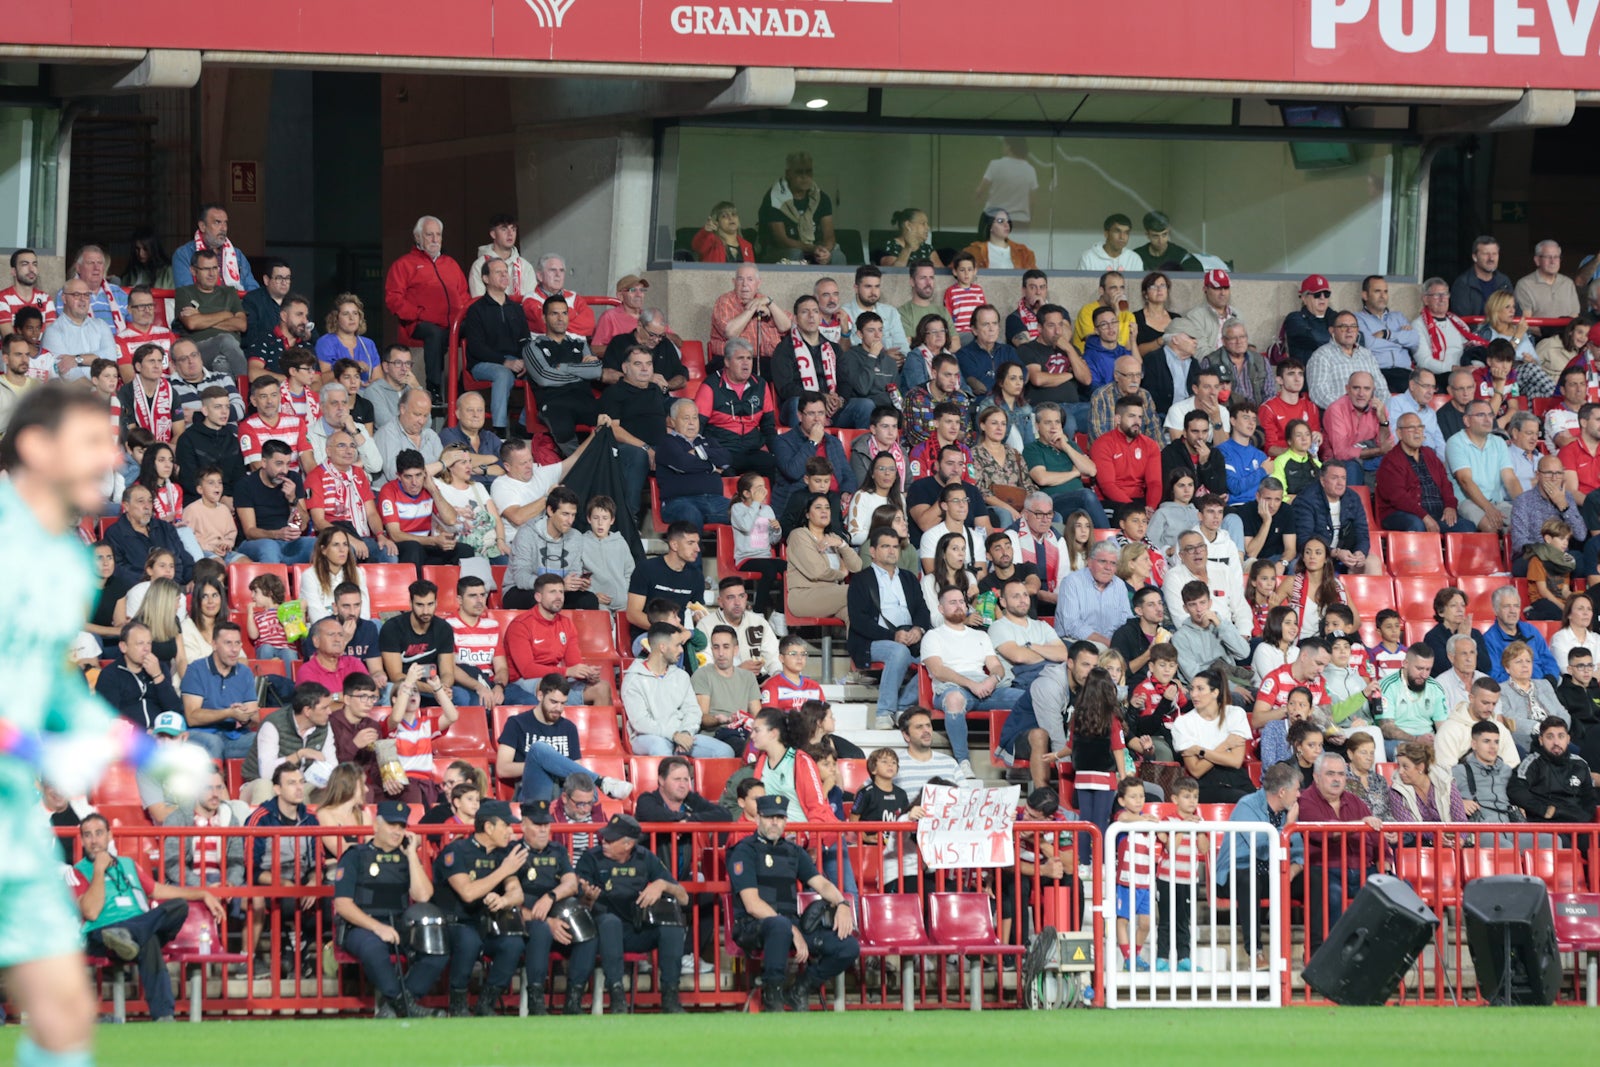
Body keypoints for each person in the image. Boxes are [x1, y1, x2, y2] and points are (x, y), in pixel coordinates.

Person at [71, 814, 224, 1023]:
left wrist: (203, 893)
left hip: (131, 935)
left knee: (177, 906)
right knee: (149, 940)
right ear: (81, 840)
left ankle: (131, 933)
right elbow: (90, 912)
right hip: (102, 934)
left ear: (110, 835)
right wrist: (98, 870)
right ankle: (164, 1016)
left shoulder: (127, 864)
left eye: (99, 833)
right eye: (87, 835)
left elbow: (158, 890)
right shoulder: (77, 872)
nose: (94, 840)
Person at [727, 792, 859, 1012]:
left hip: (787, 925)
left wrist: (842, 904)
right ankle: (773, 996)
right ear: (758, 818)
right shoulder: (744, 850)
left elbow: (822, 884)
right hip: (752, 926)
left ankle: (801, 988)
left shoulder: (794, 851)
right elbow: (751, 904)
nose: (774, 822)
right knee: (779, 925)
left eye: (779, 817)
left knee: (847, 946)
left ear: (786, 820)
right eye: (769, 817)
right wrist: (790, 929)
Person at [331, 799, 442, 1018]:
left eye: (401, 827)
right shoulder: (356, 856)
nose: (397, 831)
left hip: (399, 925)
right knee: (375, 949)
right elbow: (343, 904)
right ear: (375, 826)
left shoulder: (406, 858)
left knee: (435, 949)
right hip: (361, 926)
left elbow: (423, 895)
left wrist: (412, 855)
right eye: (392, 825)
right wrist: (377, 928)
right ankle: (407, 1006)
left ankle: (392, 1008)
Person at [576, 813, 691, 1014]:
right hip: (603, 932)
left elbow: (684, 898)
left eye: (611, 840)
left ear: (628, 845)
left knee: (671, 927)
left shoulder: (645, 857)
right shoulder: (591, 858)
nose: (604, 842)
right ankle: (617, 996)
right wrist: (587, 899)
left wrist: (662, 884)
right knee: (610, 923)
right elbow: (578, 903)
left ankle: (671, 996)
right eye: (604, 837)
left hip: (637, 928)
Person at [429, 799, 528, 1016]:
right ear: (489, 827)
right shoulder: (456, 851)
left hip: (490, 924)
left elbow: (517, 893)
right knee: (468, 940)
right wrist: (503, 871)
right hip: (457, 923)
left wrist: (504, 901)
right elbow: (468, 893)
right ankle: (458, 1004)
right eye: (506, 825)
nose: (511, 831)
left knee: (513, 943)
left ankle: (486, 1003)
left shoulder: (505, 853)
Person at [921, 585, 1024, 779]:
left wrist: (992, 680)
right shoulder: (933, 636)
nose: (959, 606)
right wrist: (971, 685)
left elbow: (996, 666)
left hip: (986, 688)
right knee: (954, 700)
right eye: (953, 603)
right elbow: (938, 670)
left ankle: (1016, 757)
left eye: (962, 601)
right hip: (953, 688)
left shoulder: (981, 635)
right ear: (941, 609)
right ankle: (963, 762)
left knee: (1029, 698)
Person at [1293, 753, 1383, 949]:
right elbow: (1323, 833)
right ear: (1316, 777)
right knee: (1332, 896)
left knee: (1396, 890)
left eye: (1341, 774)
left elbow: (1377, 838)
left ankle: (1379, 955)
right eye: (1330, 774)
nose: (1336, 779)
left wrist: (1386, 859)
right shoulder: (1305, 801)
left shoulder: (1355, 801)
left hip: (1363, 871)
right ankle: (1332, 957)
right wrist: (1358, 825)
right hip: (1328, 871)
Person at [1214, 762, 1302, 963]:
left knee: (1314, 878)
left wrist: (1293, 871)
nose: (1299, 795)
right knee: (1250, 878)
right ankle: (1255, 952)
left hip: (1273, 875)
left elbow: (1298, 852)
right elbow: (1261, 847)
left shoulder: (1287, 811)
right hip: (1236, 874)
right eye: (1296, 790)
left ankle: (1316, 951)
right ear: (1282, 792)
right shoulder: (1247, 805)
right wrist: (1288, 826)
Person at [847, 527, 931, 730]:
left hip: (911, 640)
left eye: (895, 547)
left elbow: (922, 610)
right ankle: (884, 712)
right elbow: (858, 620)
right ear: (873, 551)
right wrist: (893, 636)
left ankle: (904, 704)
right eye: (886, 546)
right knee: (898, 650)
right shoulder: (861, 579)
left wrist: (918, 630)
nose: (892, 551)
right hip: (873, 641)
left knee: (940, 654)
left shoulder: (909, 578)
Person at [384, 215, 469, 399]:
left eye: (438, 235)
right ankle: (434, 388)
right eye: (429, 235)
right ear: (418, 238)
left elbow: (464, 295)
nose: (434, 239)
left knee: (475, 328)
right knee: (433, 333)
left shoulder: (451, 264)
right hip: (419, 325)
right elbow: (393, 298)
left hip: (451, 325)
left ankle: (466, 385)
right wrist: (417, 314)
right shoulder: (404, 264)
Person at [621, 623, 735, 758]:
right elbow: (641, 722)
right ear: (662, 647)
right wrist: (674, 735)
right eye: (677, 645)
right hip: (647, 737)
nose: (681, 650)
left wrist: (686, 733)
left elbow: (693, 711)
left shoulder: (681, 676)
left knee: (724, 752)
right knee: (661, 748)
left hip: (681, 734)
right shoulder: (634, 679)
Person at [459, 257, 532, 436]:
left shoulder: (516, 308)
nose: (504, 275)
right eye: (498, 272)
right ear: (485, 278)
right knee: (503, 373)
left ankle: (524, 426)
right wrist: (504, 362)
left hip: (516, 361)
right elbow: (476, 347)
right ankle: (499, 432)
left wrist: (525, 361)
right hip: (483, 364)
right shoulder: (476, 309)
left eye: (505, 272)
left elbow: (526, 340)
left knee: (540, 371)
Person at [1374, 412, 1473, 532]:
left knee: (1467, 526)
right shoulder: (1391, 461)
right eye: (1411, 428)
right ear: (1399, 434)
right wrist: (1424, 516)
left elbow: (1446, 484)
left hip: (1436, 513)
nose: (1417, 431)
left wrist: (1450, 506)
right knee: (1417, 525)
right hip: (1402, 513)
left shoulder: (1429, 454)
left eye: (1420, 427)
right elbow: (1399, 498)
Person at [1171, 667, 1254, 803]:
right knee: (1242, 800)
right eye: (1192, 689)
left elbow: (1235, 761)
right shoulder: (1182, 723)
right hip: (1205, 783)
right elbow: (1196, 770)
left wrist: (1200, 751)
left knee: (1261, 802)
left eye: (1200, 689)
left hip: (1237, 778)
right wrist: (1225, 745)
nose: (1194, 694)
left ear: (1215, 692)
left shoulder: (1235, 714)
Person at [1507, 718, 1596, 843]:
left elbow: (1590, 796)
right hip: (1545, 825)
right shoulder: (1532, 763)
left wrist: (1582, 816)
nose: (1556, 742)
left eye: (1561, 736)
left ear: (1568, 739)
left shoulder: (1580, 764)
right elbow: (1516, 790)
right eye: (1550, 737)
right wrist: (1544, 810)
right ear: (1541, 740)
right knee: (1560, 843)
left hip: (1577, 825)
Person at [378, 579, 458, 704]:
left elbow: (447, 672)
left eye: (430, 604)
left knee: (462, 697)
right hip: (405, 686)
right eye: (420, 605)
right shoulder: (392, 628)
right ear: (410, 603)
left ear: (436, 603)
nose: (426, 611)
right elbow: (396, 676)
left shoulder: (444, 628)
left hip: (433, 683)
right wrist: (433, 689)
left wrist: (443, 687)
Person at [1291, 462, 1380, 575]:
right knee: (1297, 565)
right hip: (1317, 555)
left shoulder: (1353, 498)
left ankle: (1364, 593)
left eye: (1343, 478)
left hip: (1345, 554)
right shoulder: (1306, 500)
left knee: (1373, 562)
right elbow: (1304, 540)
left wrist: (1360, 552)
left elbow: (1362, 533)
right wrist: (1335, 553)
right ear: (1323, 481)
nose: (1340, 483)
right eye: (1334, 478)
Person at [173, 249, 248, 378]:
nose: (212, 274)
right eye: (206, 269)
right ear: (193, 271)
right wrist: (226, 314)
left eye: (215, 268)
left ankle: (233, 396)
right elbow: (192, 323)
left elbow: (241, 324)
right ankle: (248, 389)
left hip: (230, 353)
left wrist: (201, 317)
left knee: (222, 364)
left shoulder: (229, 292)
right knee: (225, 339)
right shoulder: (184, 292)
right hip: (198, 351)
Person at [94, 620, 182, 730]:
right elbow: (109, 719)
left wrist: (157, 676)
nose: (146, 649)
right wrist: (144, 733)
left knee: (207, 741)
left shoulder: (160, 668)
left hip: (166, 734)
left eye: (149, 643)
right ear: (123, 647)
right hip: (131, 740)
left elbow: (175, 709)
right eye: (140, 643)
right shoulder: (110, 675)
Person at [758, 152, 834, 264]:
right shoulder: (774, 198)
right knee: (795, 254)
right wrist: (813, 248)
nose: (804, 177)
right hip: (777, 251)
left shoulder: (821, 198)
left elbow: (829, 236)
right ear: (788, 174)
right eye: (799, 172)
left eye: (808, 172)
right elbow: (781, 241)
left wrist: (825, 251)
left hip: (814, 249)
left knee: (837, 255)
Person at [1170, 580, 1250, 686]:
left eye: (1202, 603)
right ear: (1185, 608)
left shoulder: (1222, 624)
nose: (1199, 609)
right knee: (1239, 699)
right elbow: (1193, 676)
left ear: (1210, 603)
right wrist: (1231, 688)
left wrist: (1219, 625)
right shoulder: (1180, 637)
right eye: (1192, 605)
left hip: (1232, 677)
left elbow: (1243, 653)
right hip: (1205, 688)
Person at [1091, 395, 1163, 511]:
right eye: (1131, 416)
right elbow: (1108, 486)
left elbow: (1154, 483)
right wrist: (1134, 510)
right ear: (1118, 419)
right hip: (1112, 501)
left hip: (1140, 501)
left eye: (1140, 417)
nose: (1137, 422)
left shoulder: (1150, 445)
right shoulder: (1102, 444)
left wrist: (1151, 507)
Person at [1054, 540, 1133, 646]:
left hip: (1112, 645)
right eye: (1103, 561)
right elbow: (1072, 626)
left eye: (1113, 563)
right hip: (1076, 643)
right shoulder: (1072, 582)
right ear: (1089, 562)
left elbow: (1127, 620)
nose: (1108, 568)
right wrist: (1108, 643)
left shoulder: (1119, 585)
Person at [709, 263, 791, 361]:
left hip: (770, 360)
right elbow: (730, 333)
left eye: (750, 279)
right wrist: (752, 309)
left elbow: (785, 326)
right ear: (734, 282)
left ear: (758, 283)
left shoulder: (763, 300)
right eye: (740, 279)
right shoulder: (725, 301)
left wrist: (770, 302)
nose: (745, 284)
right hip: (733, 361)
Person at [1451, 235, 1515, 318]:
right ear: (1475, 257)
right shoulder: (1463, 283)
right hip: (1474, 331)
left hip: (1502, 330)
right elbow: (1463, 321)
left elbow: (1516, 311)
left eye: (1494, 254)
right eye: (1486, 254)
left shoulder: (1504, 281)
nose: (1491, 258)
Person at [962, 209, 1036, 270]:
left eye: (1008, 221)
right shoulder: (973, 251)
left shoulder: (1023, 252)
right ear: (990, 226)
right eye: (1000, 221)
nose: (1006, 225)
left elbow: (1035, 278)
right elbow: (953, 273)